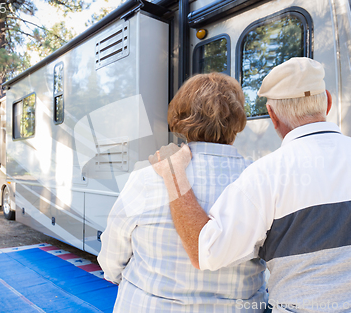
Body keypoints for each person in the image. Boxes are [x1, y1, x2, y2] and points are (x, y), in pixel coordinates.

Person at [149, 57, 351, 312]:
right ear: (327, 102)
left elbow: (205, 252)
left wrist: (175, 177)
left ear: (273, 115)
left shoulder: (265, 174)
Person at [97, 73, 268, 312]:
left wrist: (120, 277)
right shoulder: (260, 179)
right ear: (238, 120)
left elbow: (112, 255)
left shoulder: (147, 177)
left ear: (180, 118)